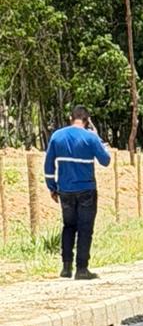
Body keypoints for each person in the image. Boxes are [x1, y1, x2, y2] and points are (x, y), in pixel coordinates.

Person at [44, 105, 111, 279]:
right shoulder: (91, 137)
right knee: (85, 229)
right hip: (86, 190)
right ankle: (82, 269)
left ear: (70, 118)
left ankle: (66, 268)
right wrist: (100, 140)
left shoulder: (57, 136)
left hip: (65, 191)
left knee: (68, 227)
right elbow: (105, 160)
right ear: (87, 121)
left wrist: (52, 187)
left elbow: (48, 165)